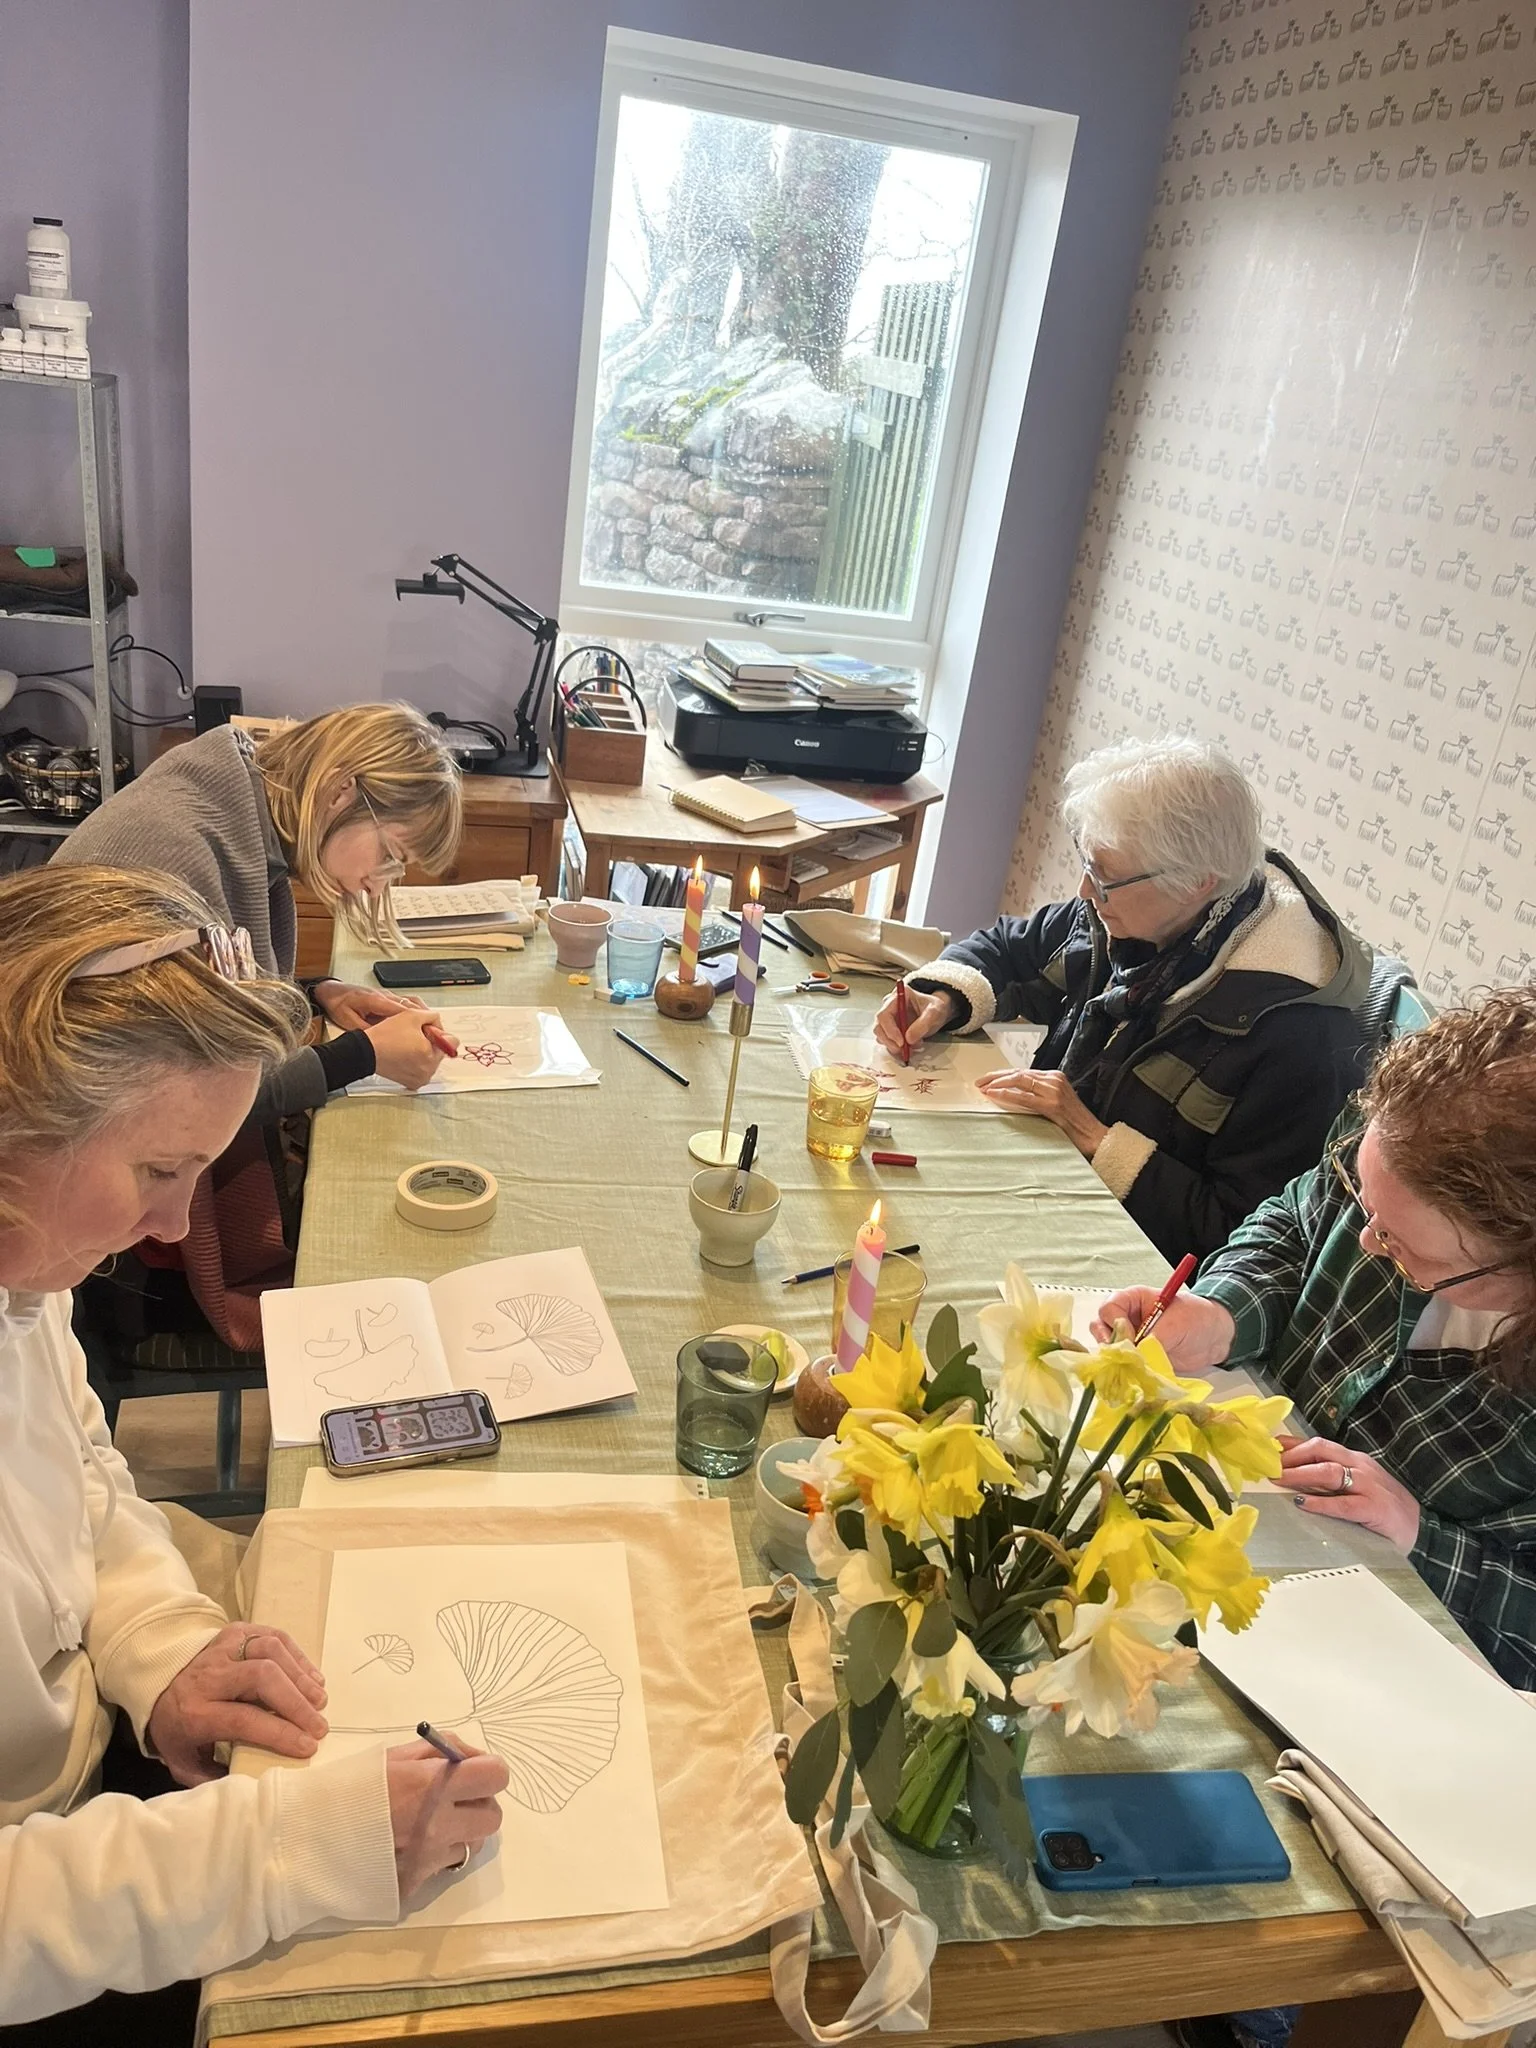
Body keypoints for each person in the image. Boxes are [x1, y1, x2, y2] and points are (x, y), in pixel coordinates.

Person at [0, 864, 507, 2042]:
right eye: (159, 1169)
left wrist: (158, 1647)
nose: (177, 1227)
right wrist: (290, 1847)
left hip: (92, 1781)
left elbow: (83, 1463)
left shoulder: (23, 1270)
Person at [1096, 983, 1536, 1690]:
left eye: (1403, 1247)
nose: (1365, 1240)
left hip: (1358, 1661)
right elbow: (1295, 1222)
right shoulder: (1394, 1147)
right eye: (1366, 1201)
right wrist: (1221, 1315)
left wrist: (1420, 1533)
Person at [875, 738, 1370, 1263]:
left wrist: (1095, 1138)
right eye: (1087, 864)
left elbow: (1243, 1238)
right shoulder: (1139, 915)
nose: (1085, 891)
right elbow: (1007, 949)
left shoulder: (1300, 1037)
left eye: (1105, 877)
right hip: (1041, 1181)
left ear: (1195, 883)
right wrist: (943, 995)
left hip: (1125, 1266)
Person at [57, 702, 465, 1112]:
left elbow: (200, 999)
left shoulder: (234, 798)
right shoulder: (176, 853)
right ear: (340, 790)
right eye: (390, 855)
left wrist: (315, 995)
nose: (378, 889)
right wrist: (364, 1056)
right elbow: (186, 1096)